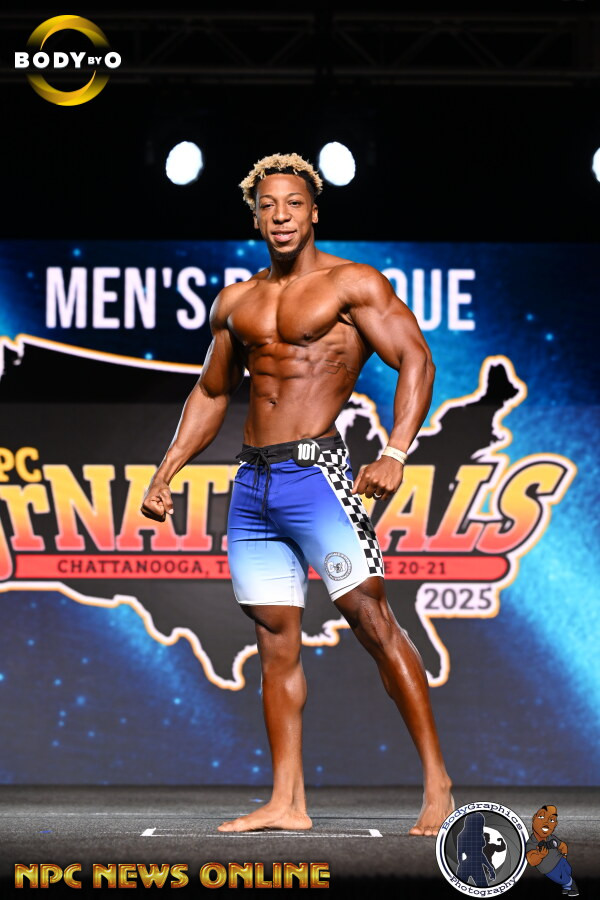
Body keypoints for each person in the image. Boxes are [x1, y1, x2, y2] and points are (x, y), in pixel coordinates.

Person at [141, 152, 454, 836]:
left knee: (372, 621)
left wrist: (396, 451)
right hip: (253, 484)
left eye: (292, 204)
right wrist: (166, 472)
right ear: (255, 218)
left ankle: (437, 783)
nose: (280, 216)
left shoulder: (352, 283)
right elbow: (212, 392)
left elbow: (416, 358)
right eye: (268, 206)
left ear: (314, 212)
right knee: (274, 641)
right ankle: (288, 801)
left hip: (318, 479)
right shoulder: (236, 302)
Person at [526, 805, 578, 897]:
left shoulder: (551, 838)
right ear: (534, 818)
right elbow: (531, 861)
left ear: (555, 824)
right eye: (541, 816)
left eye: (551, 820)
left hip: (560, 860)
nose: (546, 822)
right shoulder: (531, 842)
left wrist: (564, 856)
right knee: (562, 879)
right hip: (548, 869)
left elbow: (562, 845)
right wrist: (540, 855)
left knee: (567, 872)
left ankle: (567, 887)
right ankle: (571, 884)